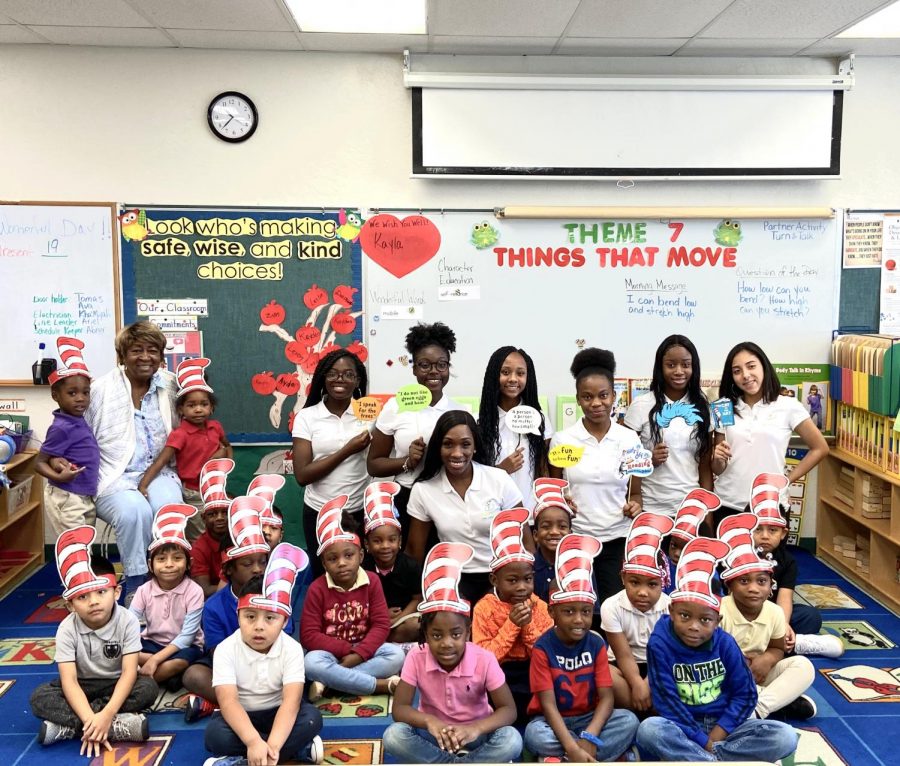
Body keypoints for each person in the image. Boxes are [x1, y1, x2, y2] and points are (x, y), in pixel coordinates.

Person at [635, 536, 799, 762]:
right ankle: (716, 759)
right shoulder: (659, 643)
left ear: (717, 619)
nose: (693, 626)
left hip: (724, 726)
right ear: (672, 612)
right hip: (681, 725)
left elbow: (745, 694)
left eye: (705, 620)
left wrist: (716, 736)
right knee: (649, 731)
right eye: (684, 616)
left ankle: (701, 759)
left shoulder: (725, 643)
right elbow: (666, 701)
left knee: (785, 736)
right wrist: (703, 741)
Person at [383, 542, 523, 764]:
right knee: (393, 736)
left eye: (455, 635)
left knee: (512, 739)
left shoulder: (484, 659)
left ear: (468, 633)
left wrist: (476, 728)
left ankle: (445, 762)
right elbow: (399, 709)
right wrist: (430, 721)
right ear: (425, 636)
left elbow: (509, 710)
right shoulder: (416, 657)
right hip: (435, 735)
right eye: (437, 636)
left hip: (477, 733)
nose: (447, 643)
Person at [30, 527, 157, 754]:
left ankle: (72, 727)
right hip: (82, 684)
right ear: (69, 605)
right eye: (82, 596)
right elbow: (68, 681)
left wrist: (105, 714)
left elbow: (129, 673)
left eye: (101, 592)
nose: (94, 602)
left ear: (116, 592)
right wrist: (94, 718)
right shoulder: (66, 628)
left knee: (147, 687)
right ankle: (111, 726)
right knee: (39, 697)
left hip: (115, 682)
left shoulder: (127, 620)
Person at [84, 321, 184, 598]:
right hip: (115, 476)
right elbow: (78, 432)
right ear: (122, 356)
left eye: (152, 350)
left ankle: (169, 584)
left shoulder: (172, 386)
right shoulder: (100, 390)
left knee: (169, 508)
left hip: (160, 472)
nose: (145, 357)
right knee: (134, 512)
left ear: (161, 356)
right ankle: (138, 585)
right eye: (136, 350)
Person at [203, 543, 323, 766]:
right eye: (250, 617)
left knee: (312, 719)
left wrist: (274, 744)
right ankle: (295, 751)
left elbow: (291, 702)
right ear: (238, 615)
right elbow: (228, 702)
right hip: (242, 714)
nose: (259, 627)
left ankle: (247, 760)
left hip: (279, 711)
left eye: (270, 618)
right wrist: (252, 741)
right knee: (214, 735)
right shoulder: (226, 649)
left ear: (285, 621)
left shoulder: (292, 648)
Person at [523, 533, 640, 761]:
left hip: (590, 717)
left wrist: (590, 736)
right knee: (534, 734)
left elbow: (607, 698)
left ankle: (565, 758)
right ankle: (588, 755)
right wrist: (573, 745)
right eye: (569, 612)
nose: (579, 620)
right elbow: (547, 706)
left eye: (586, 612)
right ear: (552, 612)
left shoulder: (596, 642)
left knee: (628, 720)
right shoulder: (542, 648)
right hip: (553, 720)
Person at [550, 348, 642, 606]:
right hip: (577, 538)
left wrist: (635, 505)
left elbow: (635, 493)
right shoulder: (563, 440)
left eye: (603, 396)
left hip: (617, 537)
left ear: (614, 396)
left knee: (614, 608)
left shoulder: (628, 439)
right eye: (587, 397)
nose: (596, 403)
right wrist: (562, 502)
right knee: (579, 609)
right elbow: (555, 491)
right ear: (578, 399)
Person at [405, 410, 524, 604]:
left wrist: (519, 582)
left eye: (465, 444)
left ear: (475, 446)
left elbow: (524, 540)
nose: (457, 453)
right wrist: (416, 598)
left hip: (500, 577)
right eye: (448, 444)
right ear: (438, 447)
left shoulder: (499, 479)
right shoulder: (423, 490)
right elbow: (414, 553)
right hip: (452, 579)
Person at [182, 496, 281, 723]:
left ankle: (223, 705)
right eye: (247, 564)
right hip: (231, 668)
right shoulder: (213, 606)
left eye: (262, 562)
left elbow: (281, 643)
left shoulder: (275, 597)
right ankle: (254, 707)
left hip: (268, 662)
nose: (257, 570)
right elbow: (218, 655)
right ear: (228, 571)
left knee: (299, 667)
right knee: (194, 675)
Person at [711, 341, 828, 528]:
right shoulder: (722, 407)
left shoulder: (787, 405)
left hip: (770, 504)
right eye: (737, 371)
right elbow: (718, 468)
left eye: (751, 366)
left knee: (770, 558)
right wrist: (717, 458)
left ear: (763, 366)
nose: (746, 375)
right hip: (728, 503)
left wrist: (786, 480)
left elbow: (820, 448)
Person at [300, 496, 406, 700]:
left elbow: (381, 625)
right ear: (323, 563)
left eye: (348, 556)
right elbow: (309, 635)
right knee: (310, 663)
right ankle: (377, 685)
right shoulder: (317, 588)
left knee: (396, 656)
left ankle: (331, 683)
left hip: (365, 649)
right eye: (332, 559)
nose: (341, 563)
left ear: (361, 555)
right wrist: (347, 650)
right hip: (330, 653)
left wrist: (357, 655)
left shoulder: (372, 581)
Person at [717, 514, 817, 721]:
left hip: (758, 671)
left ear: (770, 586)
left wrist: (767, 659)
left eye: (761, 582)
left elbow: (777, 648)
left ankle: (758, 709)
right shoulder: (719, 611)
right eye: (744, 581)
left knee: (803, 666)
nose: (753, 588)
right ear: (729, 585)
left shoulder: (775, 612)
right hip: (724, 674)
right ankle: (779, 704)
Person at [367, 322, 463, 534]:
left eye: (441, 364)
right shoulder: (395, 407)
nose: (434, 371)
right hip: (406, 496)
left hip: (446, 498)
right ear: (414, 368)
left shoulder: (459, 413)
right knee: (410, 562)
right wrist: (407, 462)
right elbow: (373, 465)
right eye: (424, 365)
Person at [293, 349, 371, 576]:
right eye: (333, 373)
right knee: (323, 576)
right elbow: (302, 475)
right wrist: (347, 449)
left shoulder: (367, 414)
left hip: (358, 512)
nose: (340, 379)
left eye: (348, 374)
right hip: (319, 511)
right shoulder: (307, 417)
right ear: (322, 378)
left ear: (358, 381)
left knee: (357, 576)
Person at [750, 473, 844, 657]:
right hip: (742, 613)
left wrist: (783, 625)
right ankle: (794, 645)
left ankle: (774, 641)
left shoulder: (787, 561)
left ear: (783, 533)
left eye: (773, 530)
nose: (765, 536)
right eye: (758, 529)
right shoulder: (737, 555)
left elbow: (784, 597)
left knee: (811, 617)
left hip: (772, 614)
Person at [138, 357, 231, 542]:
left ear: (211, 407)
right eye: (191, 405)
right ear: (180, 409)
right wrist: (143, 484)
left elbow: (227, 447)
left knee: (219, 531)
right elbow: (161, 461)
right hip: (194, 492)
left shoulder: (216, 427)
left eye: (203, 405)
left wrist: (225, 461)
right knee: (199, 534)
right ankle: (198, 565)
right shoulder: (180, 434)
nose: (198, 410)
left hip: (217, 488)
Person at [472, 508, 552, 723]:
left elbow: (545, 654)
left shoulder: (540, 606)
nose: (522, 587)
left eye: (527, 579)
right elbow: (484, 659)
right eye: (512, 580)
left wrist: (526, 625)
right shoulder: (484, 609)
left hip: (532, 670)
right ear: (494, 580)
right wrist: (512, 624)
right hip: (498, 673)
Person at [625, 335, 713, 516]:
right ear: (660, 367)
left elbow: (705, 467)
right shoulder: (642, 405)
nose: (679, 371)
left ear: (693, 367)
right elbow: (623, 461)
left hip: (691, 509)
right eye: (671, 365)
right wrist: (649, 460)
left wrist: (708, 516)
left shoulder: (703, 408)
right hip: (649, 508)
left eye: (686, 365)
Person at [601, 512, 673, 712]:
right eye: (634, 583)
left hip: (660, 666)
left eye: (652, 584)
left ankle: (640, 712)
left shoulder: (671, 608)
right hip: (623, 667)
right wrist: (637, 684)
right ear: (623, 578)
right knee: (604, 673)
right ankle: (646, 711)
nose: (642, 592)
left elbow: (666, 653)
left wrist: (647, 684)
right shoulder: (611, 606)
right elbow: (622, 654)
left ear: (663, 583)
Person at [129, 505, 204, 688]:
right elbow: (128, 623)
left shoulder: (194, 591)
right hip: (151, 643)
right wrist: (141, 654)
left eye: (177, 558)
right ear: (150, 564)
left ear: (188, 564)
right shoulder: (144, 590)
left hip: (183, 647)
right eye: (161, 559)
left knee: (178, 662)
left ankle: (133, 683)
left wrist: (154, 660)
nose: (169, 565)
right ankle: (163, 676)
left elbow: (187, 637)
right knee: (127, 652)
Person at [35, 337, 100, 539]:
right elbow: (39, 463)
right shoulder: (62, 427)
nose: (80, 398)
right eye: (72, 393)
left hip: (83, 495)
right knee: (74, 548)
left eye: (85, 393)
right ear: (56, 395)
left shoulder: (77, 420)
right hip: (67, 496)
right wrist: (58, 477)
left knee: (83, 545)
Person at [477, 346, 552, 510]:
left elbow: (544, 469)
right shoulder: (479, 422)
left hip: (531, 511)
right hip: (493, 511)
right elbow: (473, 473)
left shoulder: (539, 419)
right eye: (505, 372)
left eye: (520, 373)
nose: (513, 379)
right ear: (494, 375)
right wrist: (501, 470)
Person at [362, 481, 423, 643]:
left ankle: (380, 641)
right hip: (372, 617)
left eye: (392, 540)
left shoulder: (410, 566)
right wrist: (381, 616)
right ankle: (379, 640)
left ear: (400, 541)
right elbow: (357, 601)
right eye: (377, 541)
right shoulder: (362, 569)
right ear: (367, 544)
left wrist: (399, 619)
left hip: (402, 618)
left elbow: (417, 598)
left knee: (416, 626)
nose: (385, 546)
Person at [663, 489, 723, 596]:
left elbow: (717, 603)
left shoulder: (710, 574)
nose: (676, 553)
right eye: (673, 545)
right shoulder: (663, 567)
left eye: (685, 549)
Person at [190, 459, 234, 599]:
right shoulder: (199, 548)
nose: (220, 518)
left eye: (225, 512)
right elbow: (205, 590)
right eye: (212, 514)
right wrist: (239, 587)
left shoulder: (242, 539)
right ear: (203, 518)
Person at [530, 478, 574, 603]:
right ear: (535, 535)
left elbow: (591, 611)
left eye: (562, 526)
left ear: (570, 534)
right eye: (546, 526)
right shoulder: (527, 568)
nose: (554, 532)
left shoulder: (580, 566)